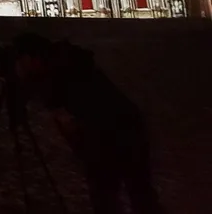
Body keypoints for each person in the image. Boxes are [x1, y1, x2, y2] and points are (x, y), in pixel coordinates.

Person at [11, 33, 165, 213]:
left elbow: (69, 113)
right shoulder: (63, 63)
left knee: (120, 196)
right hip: (119, 129)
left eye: (23, 61)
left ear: (33, 58)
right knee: (134, 194)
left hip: (112, 134)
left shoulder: (60, 72)